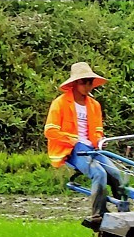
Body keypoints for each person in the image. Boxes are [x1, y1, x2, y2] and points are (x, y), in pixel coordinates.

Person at [44, 61, 128, 224]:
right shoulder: (60, 103)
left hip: (92, 148)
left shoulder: (94, 105)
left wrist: (100, 140)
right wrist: (72, 140)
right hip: (72, 149)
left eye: (90, 82)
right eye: (84, 82)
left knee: (117, 175)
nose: (88, 86)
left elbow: (97, 130)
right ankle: (99, 214)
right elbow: (50, 130)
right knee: (99, 173)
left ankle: (124, 212)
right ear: (75, 83)